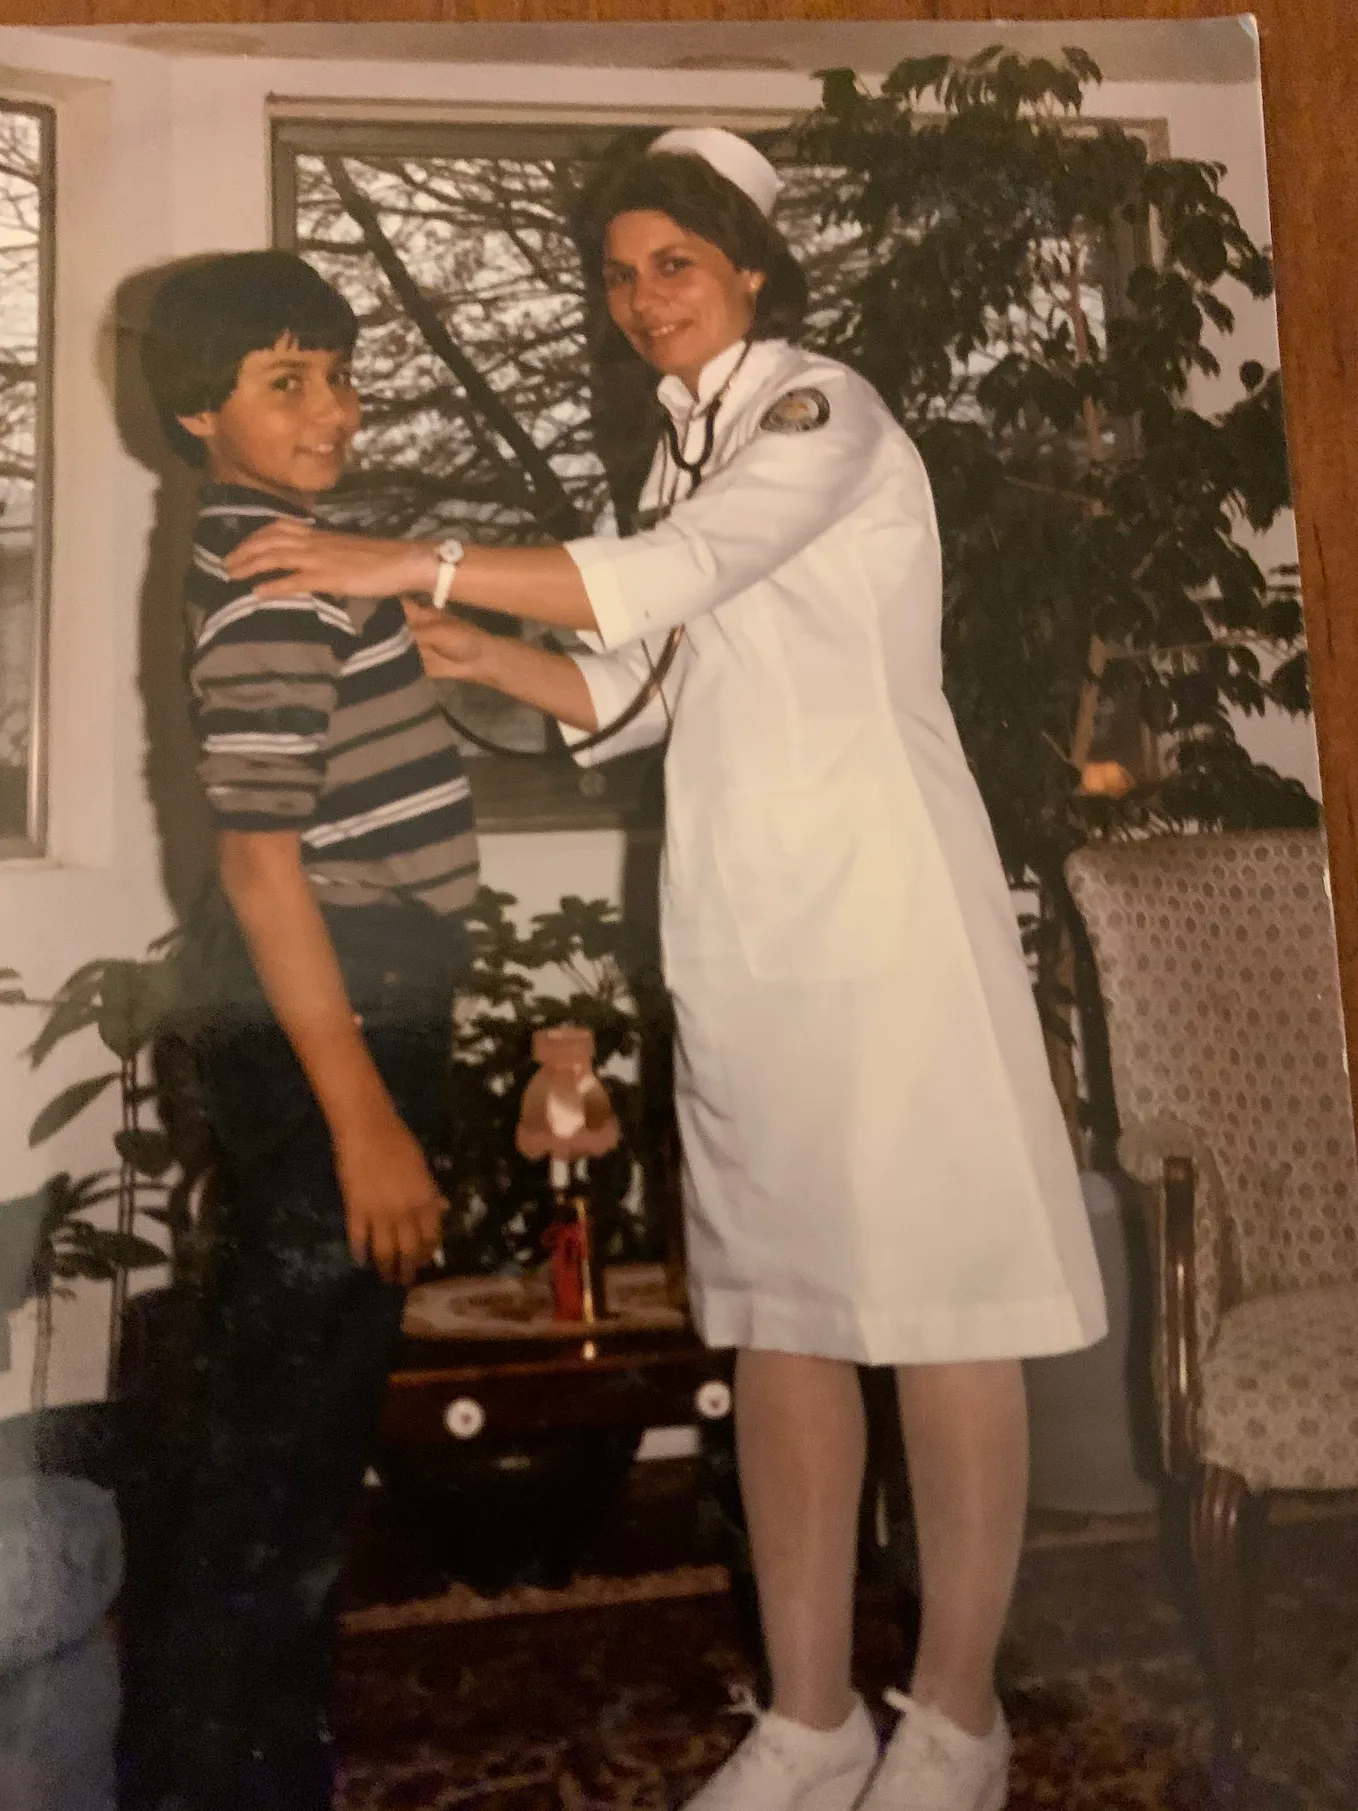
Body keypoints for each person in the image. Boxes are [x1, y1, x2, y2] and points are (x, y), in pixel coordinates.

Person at [224, 131, 1107, 1811]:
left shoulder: (815, 410)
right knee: (780, 1314)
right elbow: (646, 694)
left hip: (884, 916)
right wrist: (480, 647)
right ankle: (809, 1718)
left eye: (674, 266)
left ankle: (958, 1722)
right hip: (746, 926)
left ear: (752, 268)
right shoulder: (676, 458)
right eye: (620, 274)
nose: (643, 301)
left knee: (936, 1317)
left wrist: (408, 556)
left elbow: (680, 583)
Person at [124, 250, 478, 1811]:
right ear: (201, 410)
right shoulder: (274, 577)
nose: (332, 405)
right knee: (279, 1472)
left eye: (336, 370)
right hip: (333, 1008)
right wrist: (365, 1121)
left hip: (341, 994)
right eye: (287, 381)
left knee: (280, 1452)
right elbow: (264, 864)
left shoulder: (293, 554)